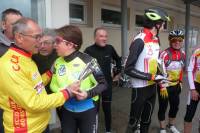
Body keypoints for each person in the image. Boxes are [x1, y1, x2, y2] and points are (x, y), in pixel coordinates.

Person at [0, 17, 80, 133]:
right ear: (19, 37)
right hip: (25, 129)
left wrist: (49, 72)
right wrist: (67, 93)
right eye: (37, 37)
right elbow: (34, 102)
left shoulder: (26, 58)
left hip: (39, 125)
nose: (40, 42)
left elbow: (35, 85)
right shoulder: (11, 66)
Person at [50, 25, 107, 133]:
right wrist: (66, 92)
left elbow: (103, 84)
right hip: (67, 111)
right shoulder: (57, 62)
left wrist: (87, 94)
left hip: (88, 110)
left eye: (57, 41)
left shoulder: (89, 61)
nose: (54, 45)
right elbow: (53, 84)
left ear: (70, 44)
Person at [124, 7, 170, 133]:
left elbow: (154, 62)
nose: (164, 26)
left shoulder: (156, 39)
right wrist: (152, 77)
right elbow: (128, 69)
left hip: (152, 88)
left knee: (146, 120)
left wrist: (161, 77)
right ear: (157, 23)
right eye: (164, 23)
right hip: (140, 89)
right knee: (133, 123)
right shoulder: (140, 40)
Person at [84, 27, 121, 133]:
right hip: (93, 86)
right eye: (101, 36)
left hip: (107, 85)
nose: (104, 38)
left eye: (106, 36)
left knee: (107, 109)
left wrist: (118, 71)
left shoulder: (110, 48)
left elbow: (118, 59)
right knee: (94, 110)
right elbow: (83, 68)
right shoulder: (88, 50)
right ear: (95, 37)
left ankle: (108, 130)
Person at [157, 30, 185, 133]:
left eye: (179, 40)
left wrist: (181, 82)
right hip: (164, 86)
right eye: (174, 40)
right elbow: (159, 71)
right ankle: (162, 128)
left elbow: (181, 70)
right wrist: (162, 86)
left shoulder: (183, 54)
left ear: (182, 41)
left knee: (175, 107)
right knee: (162, 107)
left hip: (176, 85)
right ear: (170, 41)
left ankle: (171, 125)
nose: (177, 42)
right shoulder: (164, 54)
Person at [0, 8, 23, 133]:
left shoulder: (22, 44)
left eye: (21, 25)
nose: (18, 29)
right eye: (15, 25)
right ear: (3, 24)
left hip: (20, 101)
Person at [184, 46, 200, 133]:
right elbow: (190, 69)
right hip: (196, 87)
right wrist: (193, 89)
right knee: (189, 115)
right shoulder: (197, 51)